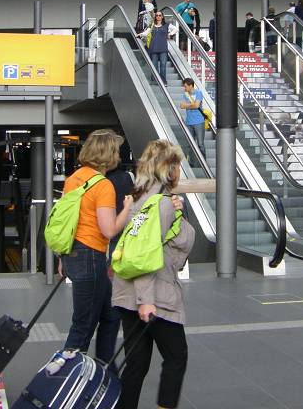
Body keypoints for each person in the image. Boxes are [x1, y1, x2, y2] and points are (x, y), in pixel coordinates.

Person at [111, 139, 195, 409]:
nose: (179, 171)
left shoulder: (139, 198)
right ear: (168, 168)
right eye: (177, 165)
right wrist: (146, 301)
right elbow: (146, 256)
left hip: (126, 292)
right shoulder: (161, 204)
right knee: (176, 356)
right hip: (154, 296)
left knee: (136, 363)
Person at [60, 129, 132, 365]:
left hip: (75, 252)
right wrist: (127, 209)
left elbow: (68, 221)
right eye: (116, 150)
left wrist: (63, 256)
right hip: (91, 256)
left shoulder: (75, 178)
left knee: (110, 314)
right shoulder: (103, 185)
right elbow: (109, 230)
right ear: (108, 153)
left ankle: (103, 367)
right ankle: (65, 375)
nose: (119, 155)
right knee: (83, 324)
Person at [140, 11, 174, 84]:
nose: (158, 16)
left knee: (163, 65)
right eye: (157, 15)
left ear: (162, 17)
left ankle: (163, 81)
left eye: (160, 15)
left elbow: (176, 29)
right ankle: (154, 81)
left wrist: (170, 34)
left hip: (163, 49)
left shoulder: (166, 25)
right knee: (154, 65)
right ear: (155, 17)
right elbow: (146, 33)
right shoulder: (152, 25)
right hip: (153, 48)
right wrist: (140, 34)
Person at [179, 78, 206, 158]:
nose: (185, 88)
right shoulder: (185, 94)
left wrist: (187, 105)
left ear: (191, 86)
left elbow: (197, 105)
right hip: (189, 122)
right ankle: (192, 163)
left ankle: (203, 162)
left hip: (199, 122)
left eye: (186, 86)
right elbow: (181, 106)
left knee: (200, 143)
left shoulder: (198, 93)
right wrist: (192, 105)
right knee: (190, 144)